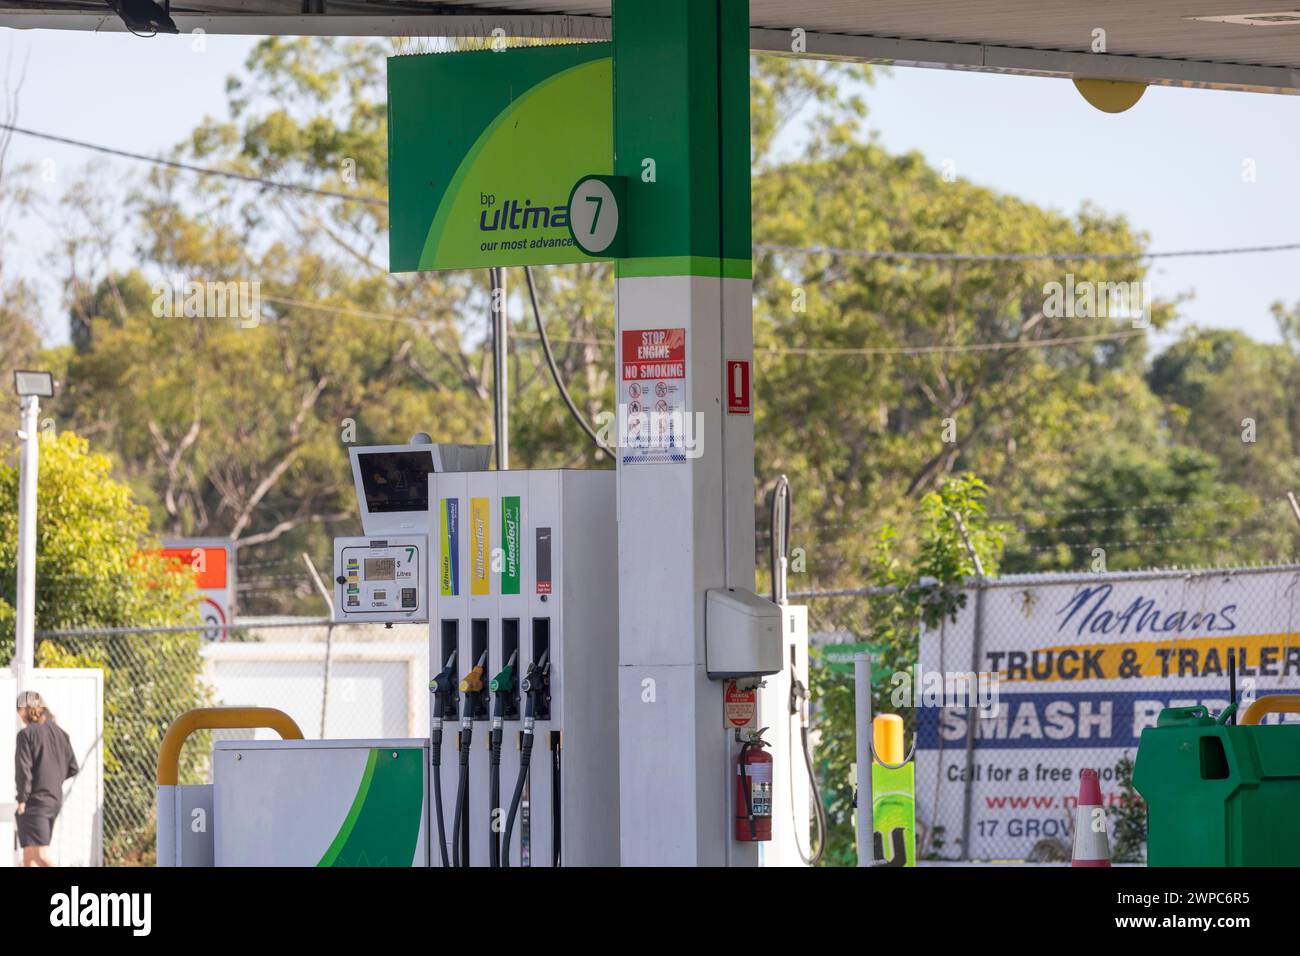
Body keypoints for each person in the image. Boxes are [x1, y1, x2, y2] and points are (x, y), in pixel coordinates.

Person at [14, 691, 79, 867]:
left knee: (41, 854)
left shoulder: (26, 735)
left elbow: (24, 770)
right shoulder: (60, 733)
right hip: (54, 799)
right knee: (29, 853)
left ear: (24, 710)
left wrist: (22, 799)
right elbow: (73, 767)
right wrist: (52, 779)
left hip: (35, 801)